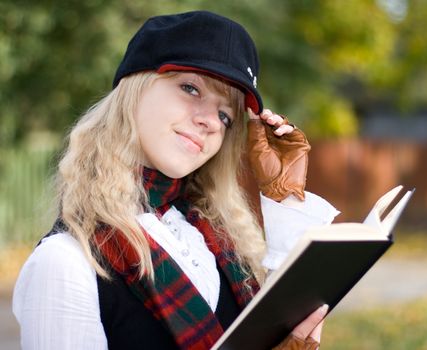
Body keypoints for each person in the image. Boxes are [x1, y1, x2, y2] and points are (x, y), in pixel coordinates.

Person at [12, 10, 338, 350]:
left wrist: (284, 198)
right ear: (134, 88)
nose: (210, 120)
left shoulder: (222, 244)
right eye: (190, 88)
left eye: (225, 115)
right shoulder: (64, 263)